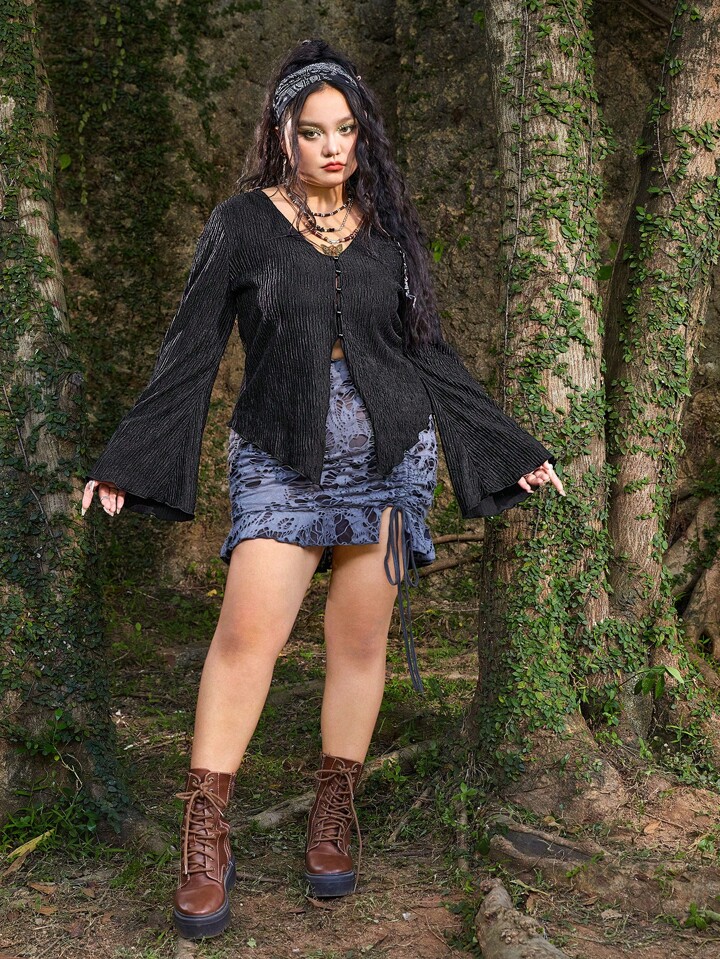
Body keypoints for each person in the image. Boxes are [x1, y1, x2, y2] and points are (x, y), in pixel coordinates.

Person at [81, 38, 565, 940]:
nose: (333, 147)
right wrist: (129, 458)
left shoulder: (388, 229)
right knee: (245, 638)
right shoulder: (243, 224)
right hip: (280, 457)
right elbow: (191, 348)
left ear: (361, 135)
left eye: (346, 130)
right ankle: (205, 836)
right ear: (283, 134)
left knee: (359, 641)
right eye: (313, 132)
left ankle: (333, 813)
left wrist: (505, 449)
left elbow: (429, 351)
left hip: (395, 462)